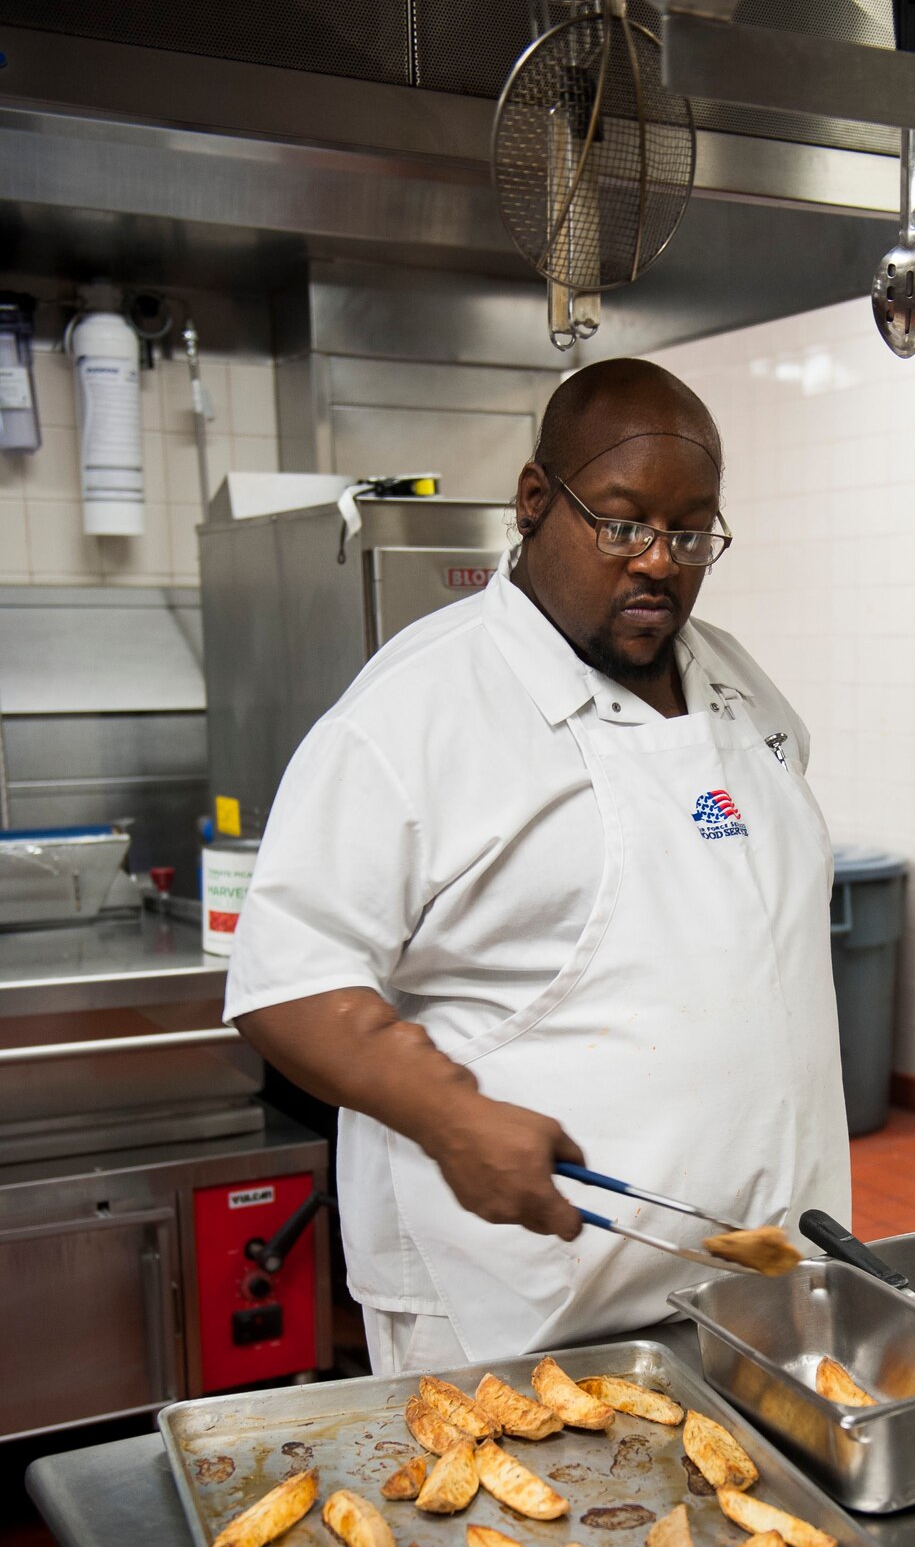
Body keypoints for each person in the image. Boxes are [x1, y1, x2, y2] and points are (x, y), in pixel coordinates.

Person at [226, 357, 850, 1372]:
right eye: (622, 524)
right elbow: (285, 983)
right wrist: (450, 1114)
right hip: (512, 1304)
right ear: (532, 500)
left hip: (751, 1281)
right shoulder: (415, 712)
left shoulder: (738, 684)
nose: (659, 562)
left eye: (692, 533)